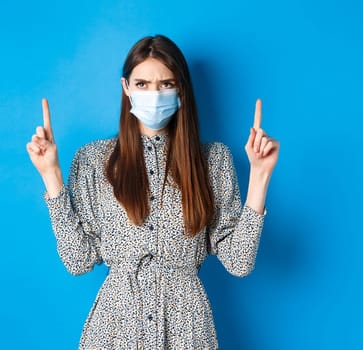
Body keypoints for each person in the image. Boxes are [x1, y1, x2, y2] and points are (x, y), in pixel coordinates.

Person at [25, 35, 279, 349]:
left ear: (181, 89)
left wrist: (260, 175)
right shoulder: (93, 160)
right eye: (142, 84)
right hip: (115, 332)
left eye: (165, 84)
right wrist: (51, 175)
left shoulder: (213, 161)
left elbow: (239, 262)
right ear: (126, 88)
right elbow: (78, 260)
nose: (154, 94)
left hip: (187, 331)